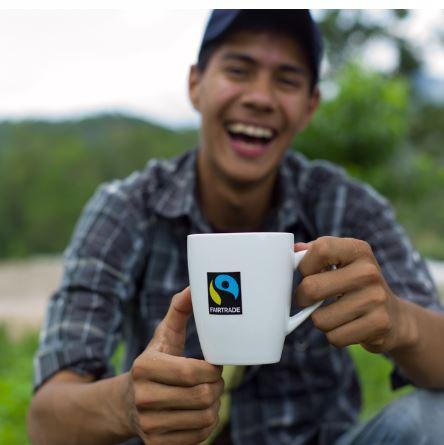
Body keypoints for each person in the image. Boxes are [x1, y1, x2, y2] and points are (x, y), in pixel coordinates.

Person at [28, 9, 444, 445]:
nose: (260, 97)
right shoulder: (127, 210)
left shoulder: (345, 204)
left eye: (286, 79)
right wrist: (127, 403)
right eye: (238, 70)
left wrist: (400, 321)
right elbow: (46, 422)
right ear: (195, 84)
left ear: (309, 107)